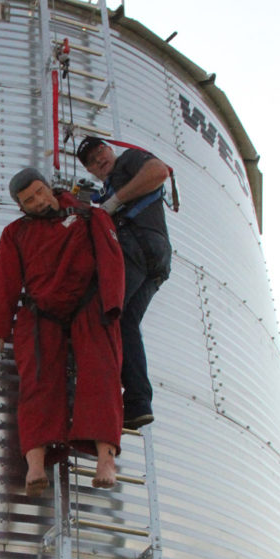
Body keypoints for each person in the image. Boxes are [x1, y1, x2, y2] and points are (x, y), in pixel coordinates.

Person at [0, 168, 125, 495]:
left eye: (39, 193)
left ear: (49, 188)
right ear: (21, 207)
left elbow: (111, 258)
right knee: (37, 380)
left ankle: (106, 460)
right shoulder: (16, 233)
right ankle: (35, 463)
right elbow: (3, 278)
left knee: (102, 372)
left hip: (90, 303)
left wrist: (112, 303)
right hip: (40, 309)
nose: (37, 201)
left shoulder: (89, 215)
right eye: (28, 200)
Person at [76, 137, 172, 430]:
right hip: (156, 262)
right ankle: (138, 404)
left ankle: (97, 401)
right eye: (92, 161)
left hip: (138, 246)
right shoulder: (106, 190)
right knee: (125, 323)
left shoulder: (130, 160)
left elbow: (159, 171)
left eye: (100, 151)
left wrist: (115, 202)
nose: (99, 160)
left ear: (110, 149)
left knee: (99, 314)